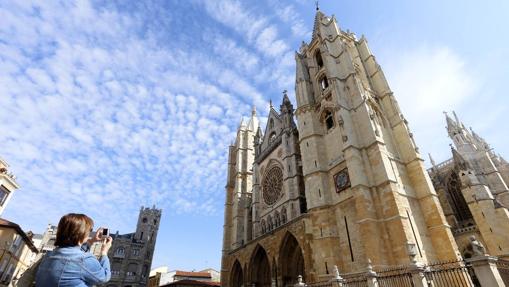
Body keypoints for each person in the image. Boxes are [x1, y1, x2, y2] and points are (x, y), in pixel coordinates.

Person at [35, 213, 113, 286]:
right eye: (89, 230)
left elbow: (72, 252)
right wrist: (104, 252)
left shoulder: (48, 256)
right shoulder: (84, 260)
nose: (89, 233)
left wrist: (92, 240)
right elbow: (104, 276)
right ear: (81, 233)